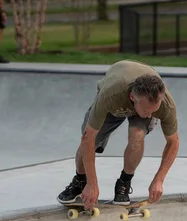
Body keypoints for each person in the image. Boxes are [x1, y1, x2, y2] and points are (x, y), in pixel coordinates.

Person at [57, 60, 180, 210]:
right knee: (91, 140)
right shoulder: (110, 95)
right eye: (147, 111)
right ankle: (79, 180)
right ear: (133, 98)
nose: (150, 116)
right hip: (115, 102)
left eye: (154, 111)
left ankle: (124, 182)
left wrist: (159, 180)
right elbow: (87, 139)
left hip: (140, 99)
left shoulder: (165, 104)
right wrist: (92, 183)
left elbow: (173, 142)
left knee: (137, 136)